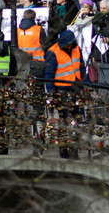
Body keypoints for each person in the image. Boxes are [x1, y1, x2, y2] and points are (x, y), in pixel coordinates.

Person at [44, 30, 83, 159]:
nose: (69, 47)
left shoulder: (76, 49)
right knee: (64, 119)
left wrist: (83, 82)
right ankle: (63, 148)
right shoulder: (53, 52)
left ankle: (73, 146)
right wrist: (51, 93)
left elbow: (80, 67)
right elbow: (49, 74)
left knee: (76, 119)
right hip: (61, 90)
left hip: (75, 88)